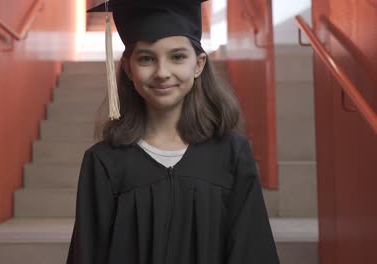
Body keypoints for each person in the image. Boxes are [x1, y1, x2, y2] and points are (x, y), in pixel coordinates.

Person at [66, 0, 280, 263]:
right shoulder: (104, 162)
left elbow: (252, 250)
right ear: (128, 68)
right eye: (146, 58)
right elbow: (88, 254)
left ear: (199, 64)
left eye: (177, 57)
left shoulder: (231, 154)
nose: (162, 72)